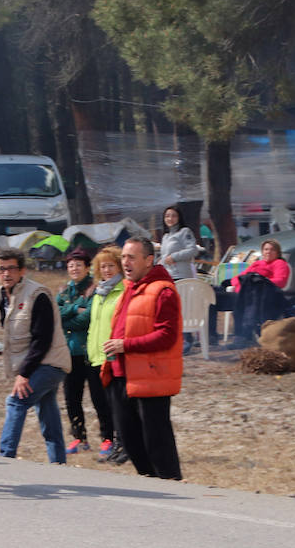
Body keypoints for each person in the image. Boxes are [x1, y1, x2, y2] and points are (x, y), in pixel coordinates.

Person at [102, 237, 183, 480]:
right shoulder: (129, 288)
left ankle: (172, 487)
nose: (125, 262)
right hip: (121, 376)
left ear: (149, 260)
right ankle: (153, 492)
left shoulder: (163, 291)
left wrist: (125, 345)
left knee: (157, 445)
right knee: (131, 442)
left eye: (131, 257)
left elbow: (167, 336)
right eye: (124, 257)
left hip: (150, 378)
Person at [0, 247, 71, 463]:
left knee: (16, 402)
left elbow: (42, 339)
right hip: (37, 363)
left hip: (50, 362)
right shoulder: (1, 296)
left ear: (22, 271)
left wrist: (24, 374)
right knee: (47, 412)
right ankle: (58, 464)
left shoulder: (38, 295)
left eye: (11, 268)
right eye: (2, 269)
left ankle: (5, 457)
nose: (6, 274)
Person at [57, 249, 113, 457]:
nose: (74, 268)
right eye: (70, 265)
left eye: (78, 265)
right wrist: (73, 309)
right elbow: (56, 313)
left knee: (100, 398)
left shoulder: (94, 289)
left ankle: (108, 437)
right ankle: (79, 438)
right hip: (69, 352)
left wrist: (69, 313)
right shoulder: (64, 290)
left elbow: (87, 318)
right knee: (72, 398)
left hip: (89, 352)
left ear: (88, 267)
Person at [86, 246, 128, 464]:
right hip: (95, 356)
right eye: (103, 266)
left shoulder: (122, 291)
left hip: (112, 358)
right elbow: (94, 324)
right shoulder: (98, 293)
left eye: (111, 265)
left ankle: (123, 445)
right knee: (101, 405)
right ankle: (110, 442)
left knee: (116, 406)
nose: (107, 270)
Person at [225, 238, 291, 349]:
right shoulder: (257, 264)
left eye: (272, 250)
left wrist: (260, 282)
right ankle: (215, 336)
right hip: (245, 295)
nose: (268, 252)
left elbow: (281, 281)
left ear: (278, 252)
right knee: (216, 295)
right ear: (262, 251)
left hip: (267, 296)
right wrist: (242, 286)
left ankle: (244, 337)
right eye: (266, 249)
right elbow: (238, 278)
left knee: (248, 303)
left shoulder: (279, 263)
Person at [158, 205, 199, 354]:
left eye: (173, 215)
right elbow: (164, 257)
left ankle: (188, 339)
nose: (170, 219)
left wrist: (174, 257)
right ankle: (175, 338)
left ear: (179, 217)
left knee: (183, 308)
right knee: (171, 308)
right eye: (167, 216)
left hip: (181, 275)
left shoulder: (185, 232)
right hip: (168, 276)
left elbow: (192, 250)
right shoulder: (165, 236)